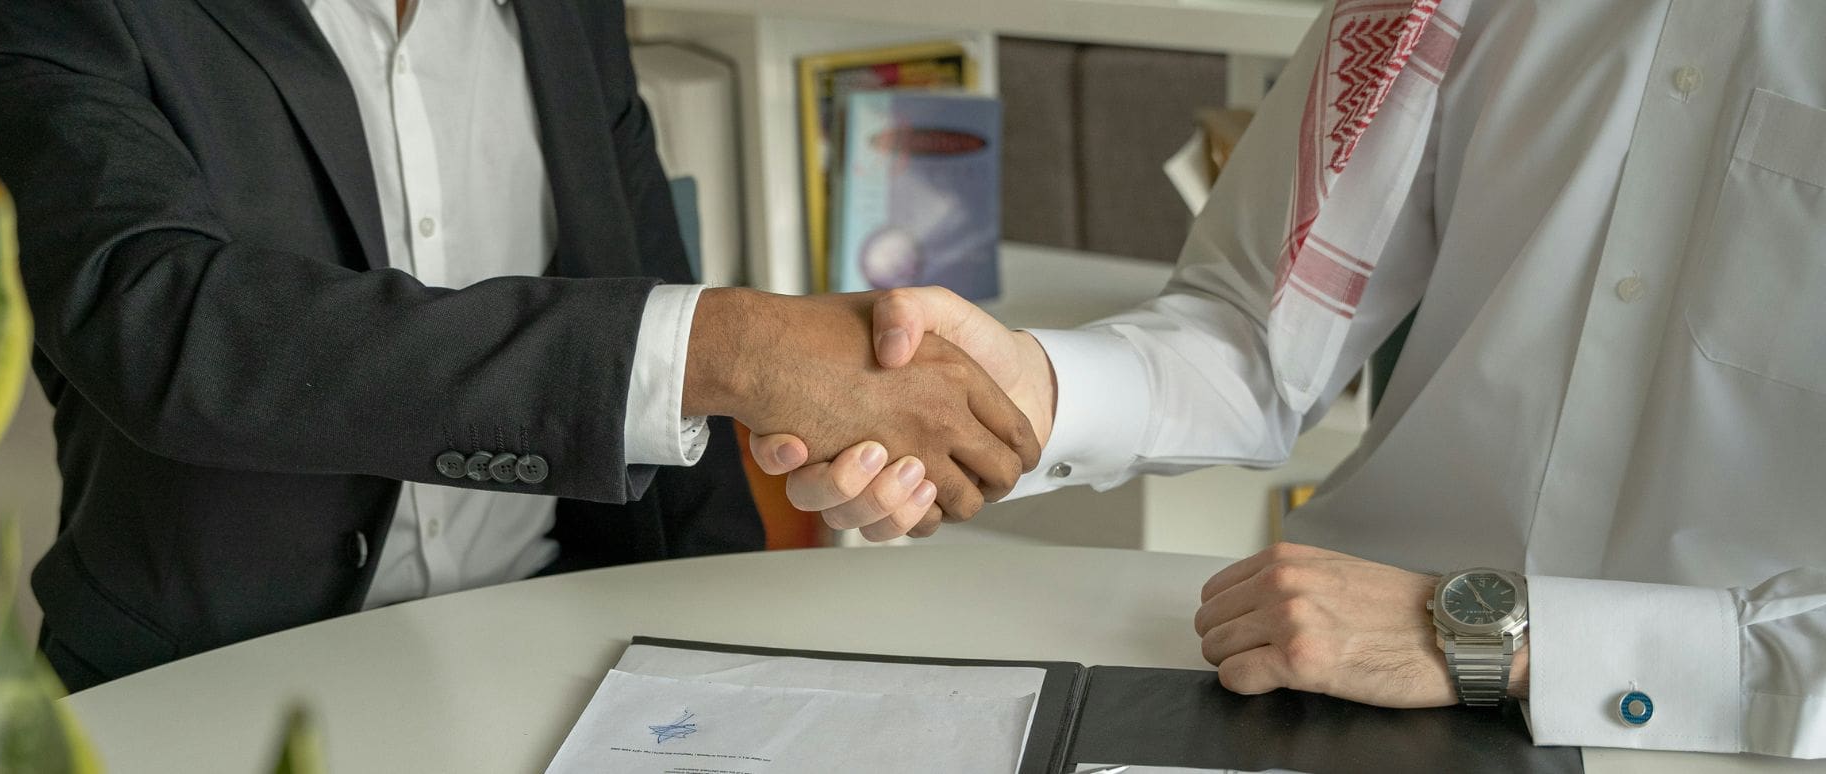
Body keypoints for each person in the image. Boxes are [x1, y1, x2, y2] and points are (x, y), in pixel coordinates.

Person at [758, 0, 1826, 758]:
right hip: (1331, 689)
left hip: (1739, 738)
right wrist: (1022, 396)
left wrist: (1489, 641)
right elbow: (1257, 330)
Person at [0, 0, 1037, 691]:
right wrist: (730, 346)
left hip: (577, 653)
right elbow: (163, 319)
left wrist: (736, 644)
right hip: (214, 687)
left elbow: (647, 284)